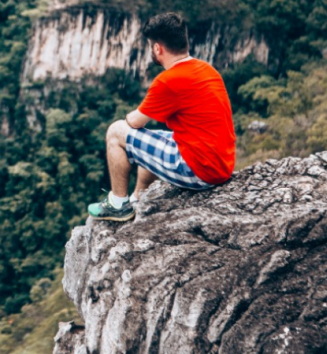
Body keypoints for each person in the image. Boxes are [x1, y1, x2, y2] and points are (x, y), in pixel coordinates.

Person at [88, 12, 236, 221]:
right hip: (222, 165)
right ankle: (137, 199)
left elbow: (134, 122)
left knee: (116, 132)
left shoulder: (168, 80)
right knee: (154, 138)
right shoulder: (207, 70)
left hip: (200, 171)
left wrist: (130, 117)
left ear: (158, 48)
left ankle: (118, 204)